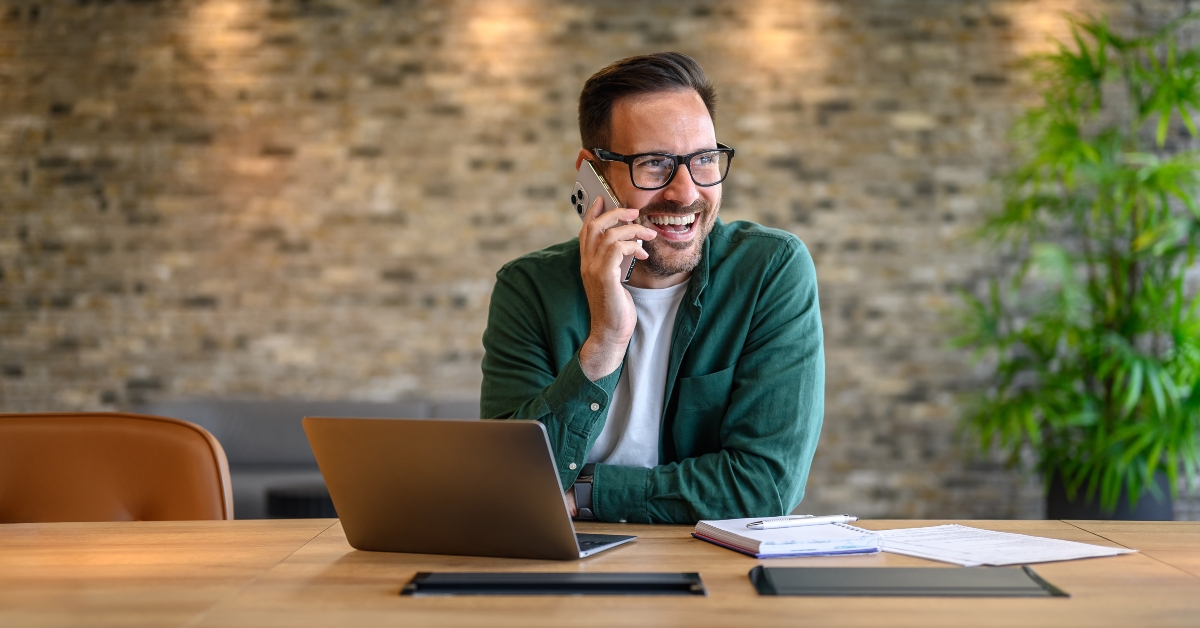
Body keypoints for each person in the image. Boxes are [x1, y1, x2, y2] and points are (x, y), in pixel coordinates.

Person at [480, 52, 824, 524]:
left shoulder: (768, 270)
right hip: (559, 566)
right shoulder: (528, 288)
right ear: (592, 173)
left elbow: (765, 484)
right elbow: (506, 484)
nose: (685, 192)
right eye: (654, 163)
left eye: (703, 159)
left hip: (710, 568)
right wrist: (605, 339)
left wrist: (587, 495)